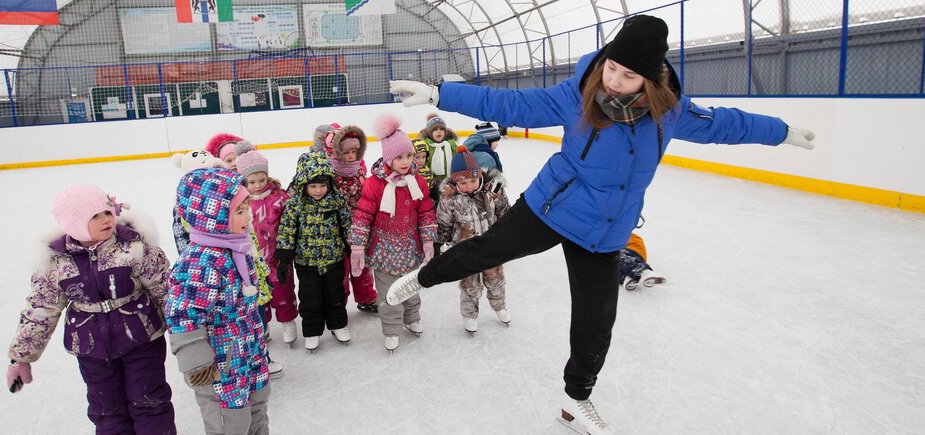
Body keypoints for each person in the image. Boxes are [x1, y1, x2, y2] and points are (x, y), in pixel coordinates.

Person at [387, 14, 815, 434]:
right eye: (611, 67)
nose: (613, 80)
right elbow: (510, 104)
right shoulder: (579, 94)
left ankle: (575, 402)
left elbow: (724, 124)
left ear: (650, 79)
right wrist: (441, 95)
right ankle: (421, 278)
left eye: (627, 76)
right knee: (486, 250)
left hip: (605, 228)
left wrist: (782, 132)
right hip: (552, 206)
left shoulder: (671, 112)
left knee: (596, 324)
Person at [6, 185, 176, 434]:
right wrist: (20, 357)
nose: (106, 219)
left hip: (142, 339)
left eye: (107, 212)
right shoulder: (56, 262)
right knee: (107, 411)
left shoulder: (134, 248)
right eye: (94, 216)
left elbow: (166, 290)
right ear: (73, 224)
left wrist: (189, 336)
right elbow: (41, 310)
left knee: (150, 401)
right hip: (91, 348)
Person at [167, 167, 272, 434]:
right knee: (229, 422)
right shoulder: (201, 261)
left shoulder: (235, 246)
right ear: (212, 217)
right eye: (239, 211)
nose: (248, 216)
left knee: (257, 409)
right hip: (220, 361)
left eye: (247, 209)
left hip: (248, 350)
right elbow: (183, 314)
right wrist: (196, 361)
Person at [349, 114, 436, 352]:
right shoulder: (374, 184)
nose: (406, 161)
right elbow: (363, 215)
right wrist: (357, 247)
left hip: (410, 246)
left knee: (410, 286)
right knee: (388, 293)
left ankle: (413, 317)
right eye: (399, 157)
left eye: (408, 155)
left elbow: (426, 211)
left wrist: (428, 241)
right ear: (388, 158)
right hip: (384, 249)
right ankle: (391, 329)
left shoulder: (417, 181)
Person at [275, 152, 354, 351]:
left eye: (323, 185)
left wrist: (353, 247)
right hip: (306, 262)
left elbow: (347, 224)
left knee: (335, 294)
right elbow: (286, 230)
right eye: (313, 186)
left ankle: (338, 325)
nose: (319, 190)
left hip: (333, 259)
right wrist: (284, 259)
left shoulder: (337, 201)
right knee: (310, 297)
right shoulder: (295, 205)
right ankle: (311, 330)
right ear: (303, 185)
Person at [435, 146, 512, 334]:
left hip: (491, 246)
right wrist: (438, 243)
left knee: (496, 279)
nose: (469, 186)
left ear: (480, 176)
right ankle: (469, 315)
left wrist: (508, 235)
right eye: (463, 183)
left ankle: (499, 305)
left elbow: (505, 213)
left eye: (473, 180)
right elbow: (443, 223)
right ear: (454, 182)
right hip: (465, 249)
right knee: (469, 284)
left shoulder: (493, 191)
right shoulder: (449, 199)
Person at [236, 150, 298, 357]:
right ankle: (264, 326)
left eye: (261, 179)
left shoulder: (279, 197)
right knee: (260, 294)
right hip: (254, 257)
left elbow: (291, 221)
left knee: (283, 290)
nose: (257, 185)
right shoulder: (241, 202)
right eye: (251, 181)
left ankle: (288, 322)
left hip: (278, 255)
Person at [326, 124, 381, 314]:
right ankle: (340, 300)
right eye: (347, 152)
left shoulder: (359, 171)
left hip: (359, 226)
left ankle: (366, 296)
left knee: (362, 264)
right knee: (342, 268)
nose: (351, 156)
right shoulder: (330, 174)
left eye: (355, 151)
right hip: (337, 230)